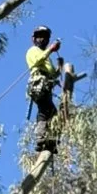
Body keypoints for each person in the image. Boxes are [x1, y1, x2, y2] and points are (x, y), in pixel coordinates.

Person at [26, 25, 63, 153]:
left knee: (51, 112)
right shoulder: (33, 50)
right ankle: (42, 137)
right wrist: (51, 50)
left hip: (46, 86)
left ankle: (50, 140)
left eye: (45, 37)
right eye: (39, 37)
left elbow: (52, 74)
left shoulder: (47, 57)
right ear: (34, 39)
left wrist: (59, 67)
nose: (42, 39)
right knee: (46, 110)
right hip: (38, 85)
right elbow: (37, 61)